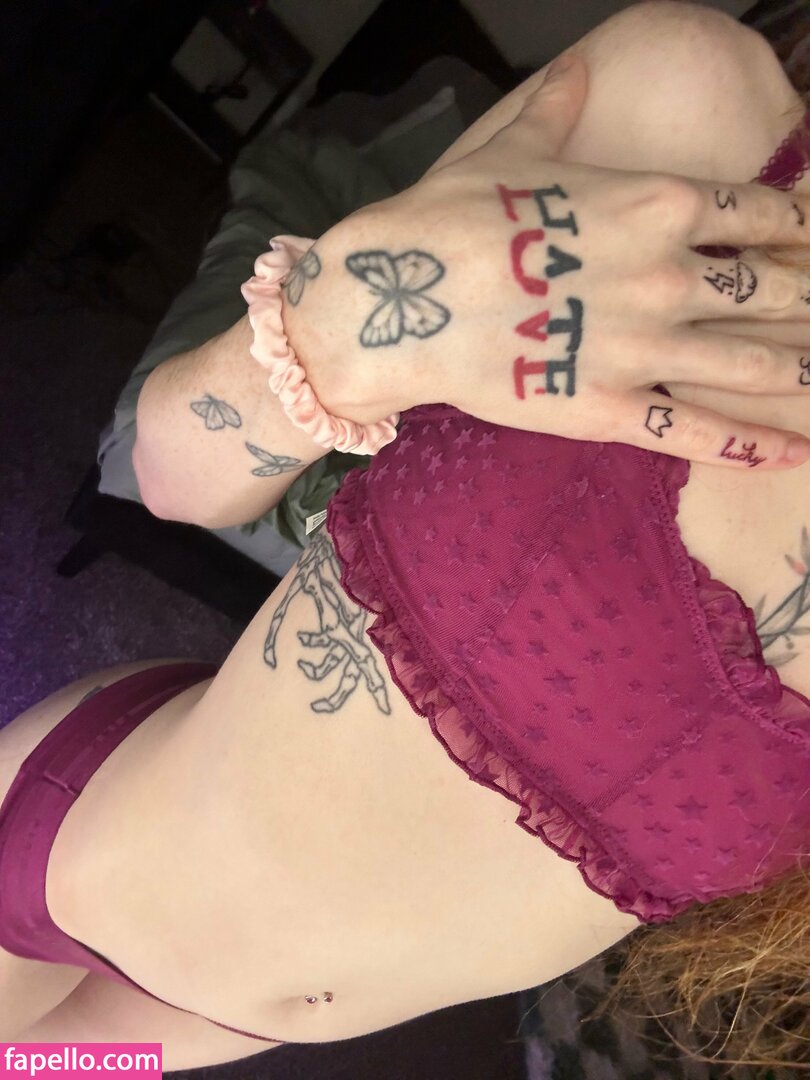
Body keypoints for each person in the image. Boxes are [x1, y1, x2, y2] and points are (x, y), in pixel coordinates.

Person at [2, 1, 810, 1072]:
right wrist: (339, 330)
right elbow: (168, 476)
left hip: (219, 1031)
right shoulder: (693, 114)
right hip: (69, 853)